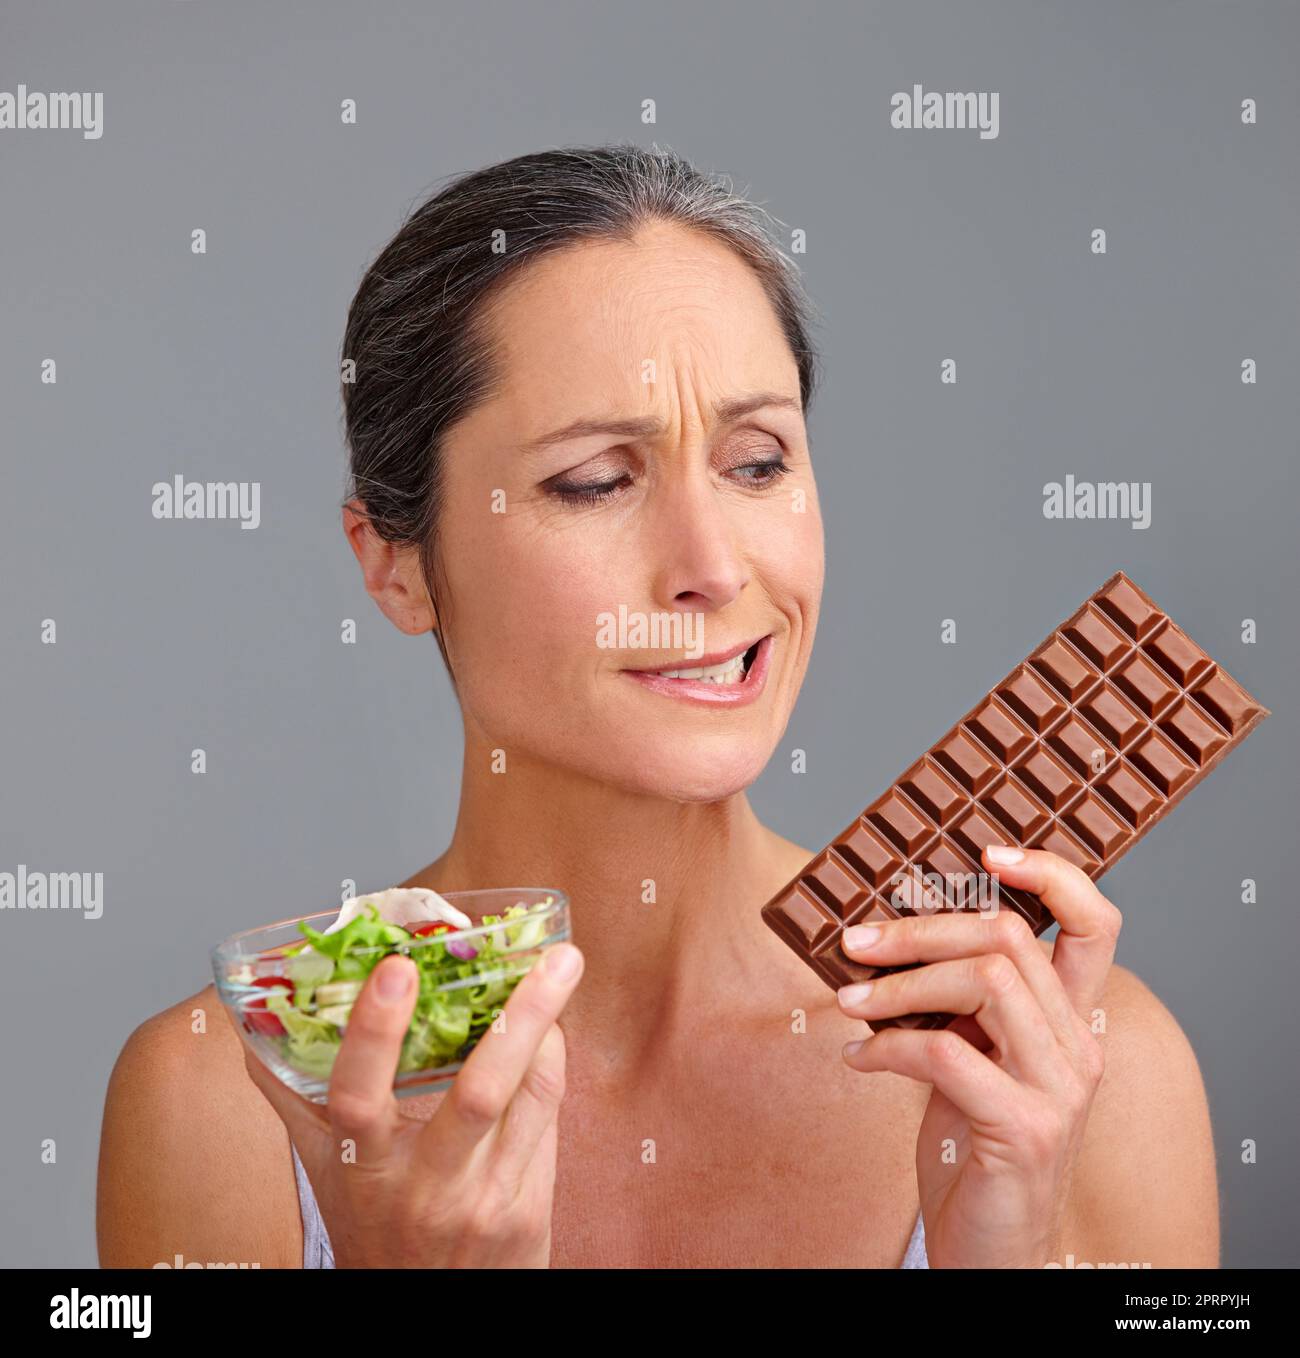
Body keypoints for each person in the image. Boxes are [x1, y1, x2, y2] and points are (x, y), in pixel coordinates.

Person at [97, 144, 1218, 1269]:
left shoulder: (1077, 1075)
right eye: (596, 479)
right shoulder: (231, 1099)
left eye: (758, 462)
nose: (711, 567)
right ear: (396, 564)